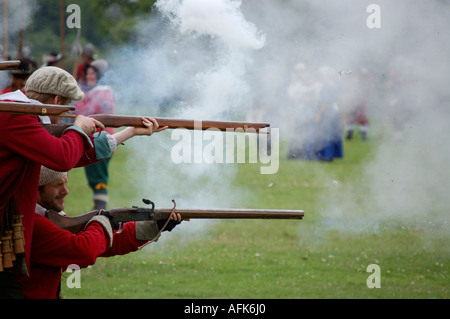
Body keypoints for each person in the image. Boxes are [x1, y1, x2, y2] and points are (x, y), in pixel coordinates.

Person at [0, 66, 163, 298]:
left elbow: (66, 154)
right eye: (65, 106)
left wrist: (129, 132)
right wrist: (77, 128)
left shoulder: (16, 112)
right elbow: (61, 157)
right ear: (57, 100)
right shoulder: (17, 116)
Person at [15, 166, 182, 299]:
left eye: (65, 183)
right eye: (58, 185)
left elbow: (103, 242)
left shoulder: (45, 215)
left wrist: (154, 226)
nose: (66, 191)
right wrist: (101, 222)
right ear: (37, 188)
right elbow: (83, 250)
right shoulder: (33, 222)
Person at [73, 59, 116, 210]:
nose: (89, 76)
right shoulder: (94, 91)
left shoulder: (102, 92)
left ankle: (99, 209)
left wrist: (75, 101)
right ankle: (98, 208)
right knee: (95, 175)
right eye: (88, 73)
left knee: (98, 176)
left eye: (92, 73)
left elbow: (85, 112)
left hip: (100, 138)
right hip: (94, 138)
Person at [303, 66, 343, 162]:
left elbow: (325, 102)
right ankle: (328, 155)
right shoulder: (334, 85)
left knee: (325, 134)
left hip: (326, 113)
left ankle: (325, 155)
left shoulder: (327, 86)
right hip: (331, 112)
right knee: (329, 134)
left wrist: (318, 114)